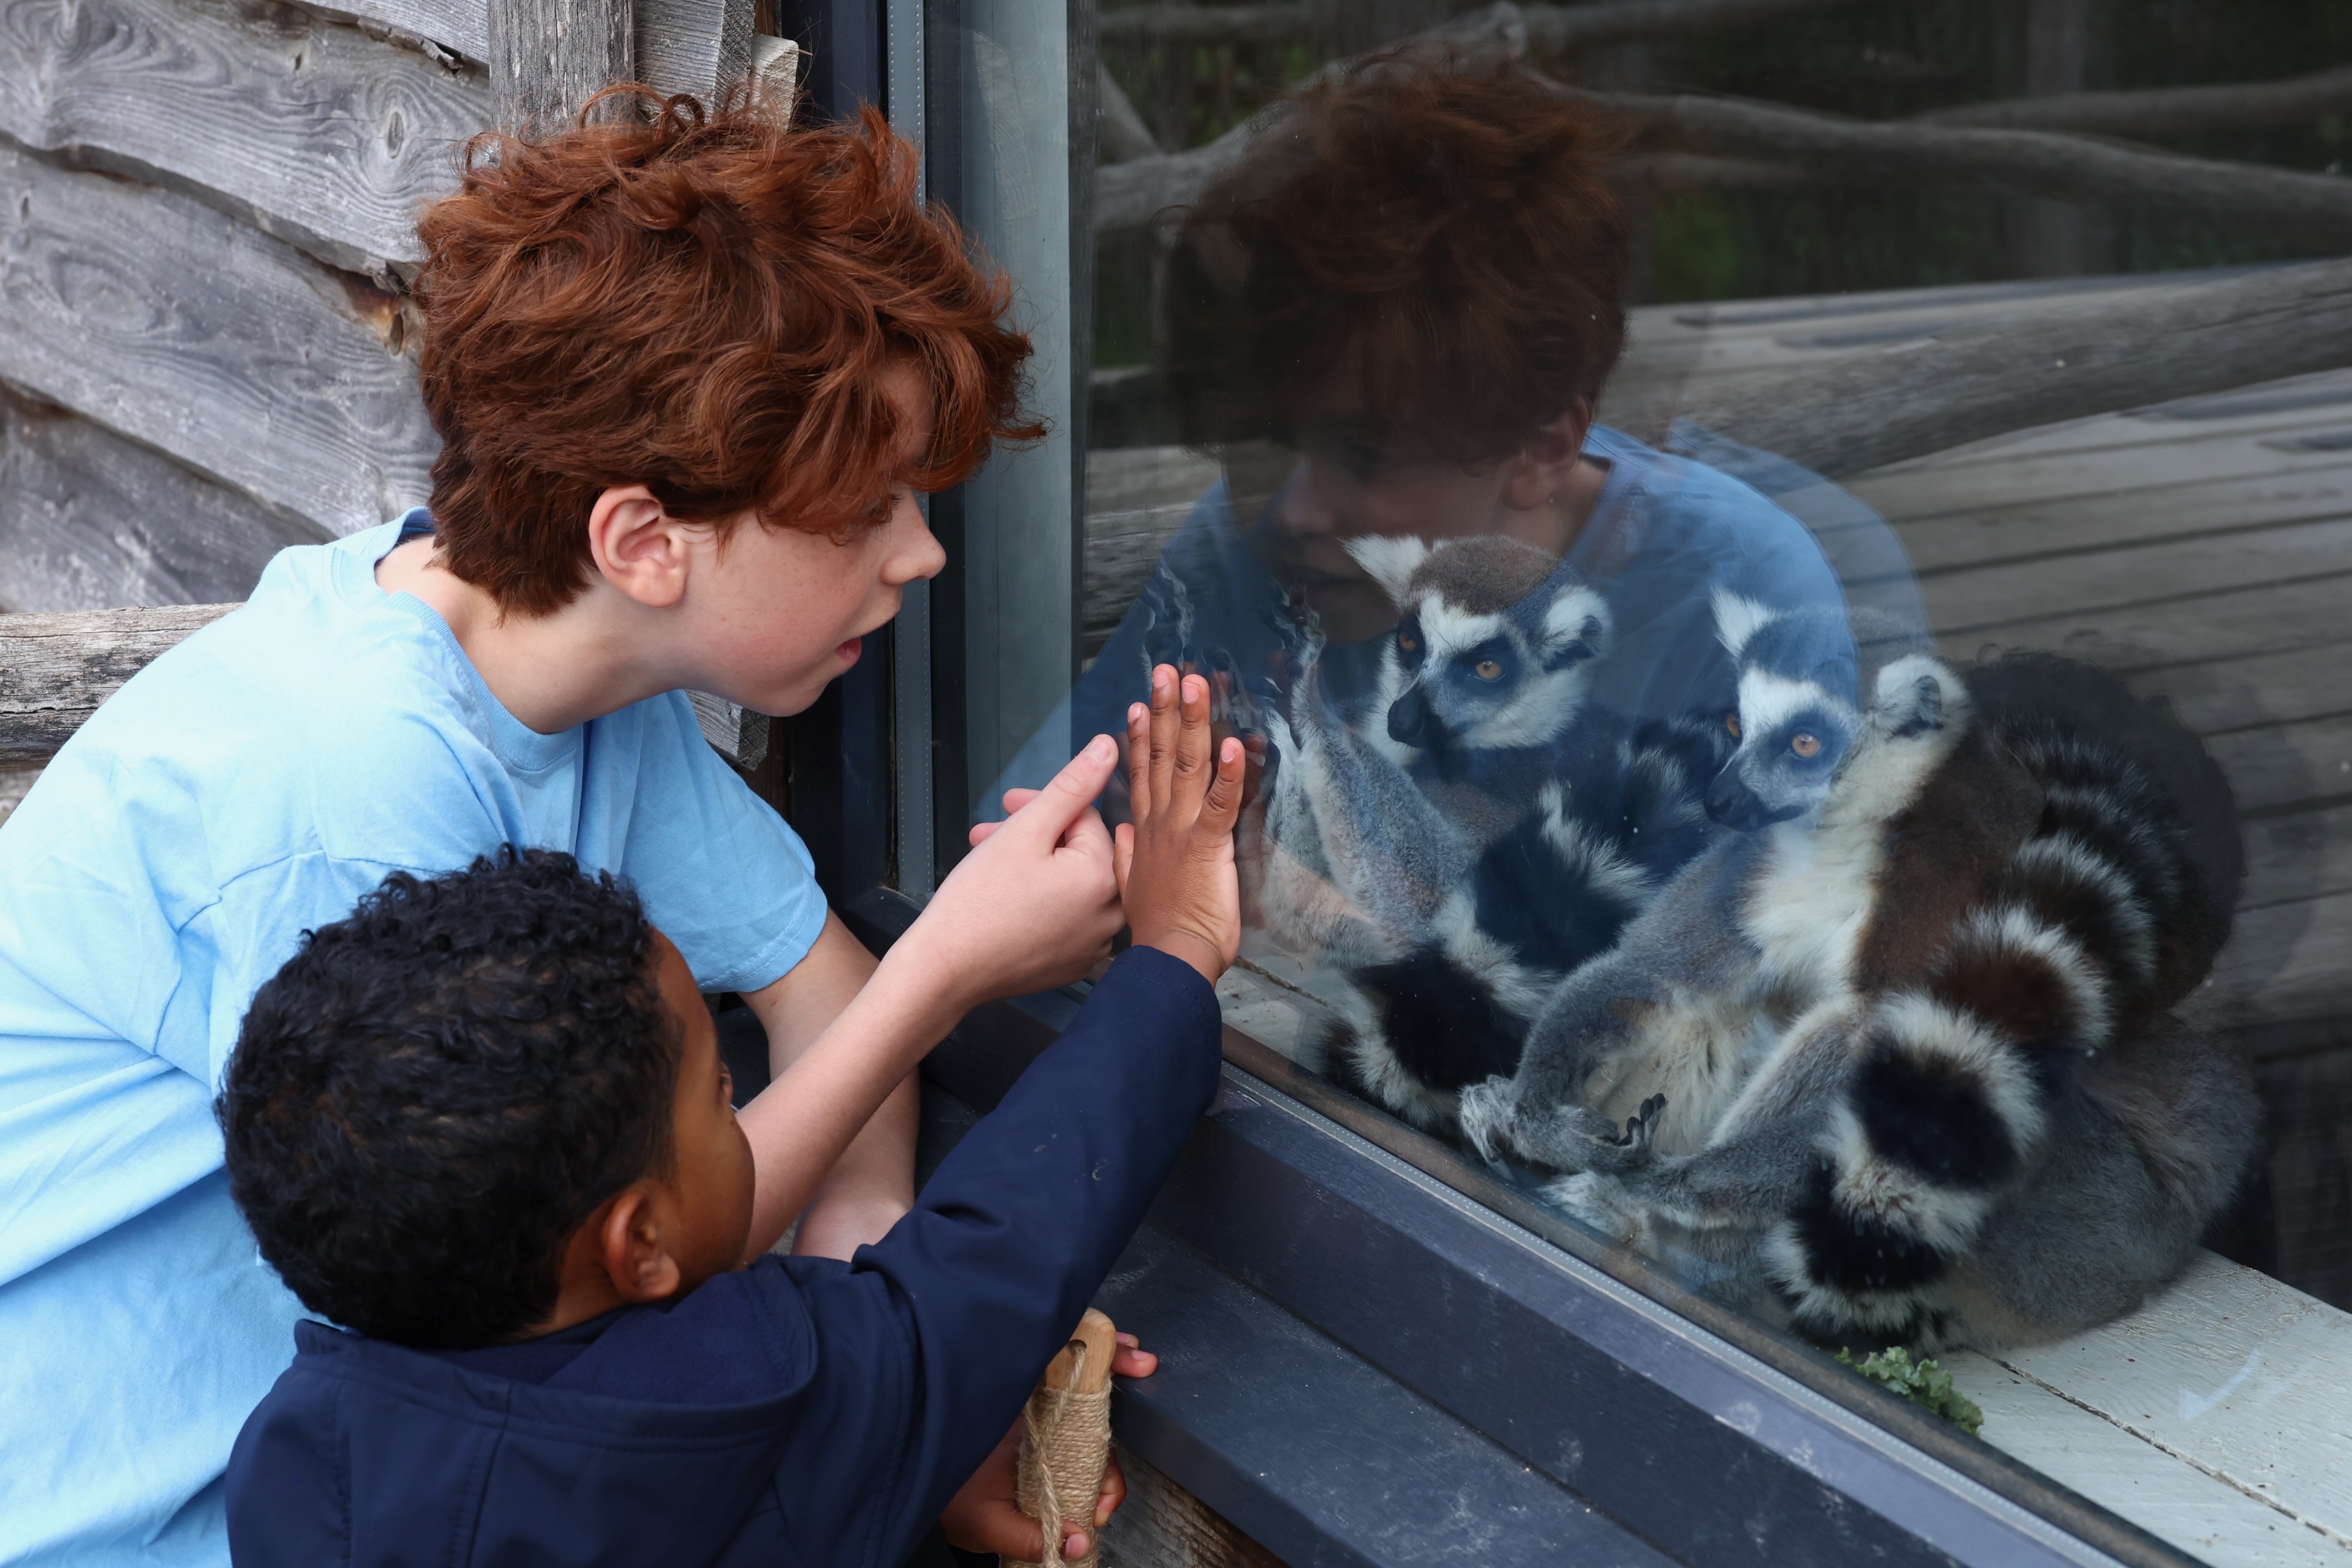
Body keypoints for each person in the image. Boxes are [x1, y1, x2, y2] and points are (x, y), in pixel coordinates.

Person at [0, 94, 1119, 1564]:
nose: (922, 552)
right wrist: (952, 972)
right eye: (865, 511)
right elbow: (595, 1264)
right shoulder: (349, 794)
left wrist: (897, 1374)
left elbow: (815, 985)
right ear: (643, 541)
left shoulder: (558, 667)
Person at [215, 669, 1245, 1568]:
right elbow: (998, 1254)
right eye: (721, 1095)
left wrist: (902, 1477)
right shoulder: (725, 1412)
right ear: (640, 1244)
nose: (742, 1104)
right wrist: (1175, 953)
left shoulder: (297, 1454)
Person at [992, 51, 1859, 811]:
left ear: (1543, 447)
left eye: (1365, 452)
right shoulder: (1255, 545)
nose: (1294, 506)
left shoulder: (1742, 600)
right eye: (1262, 439)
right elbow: (1033, 832)